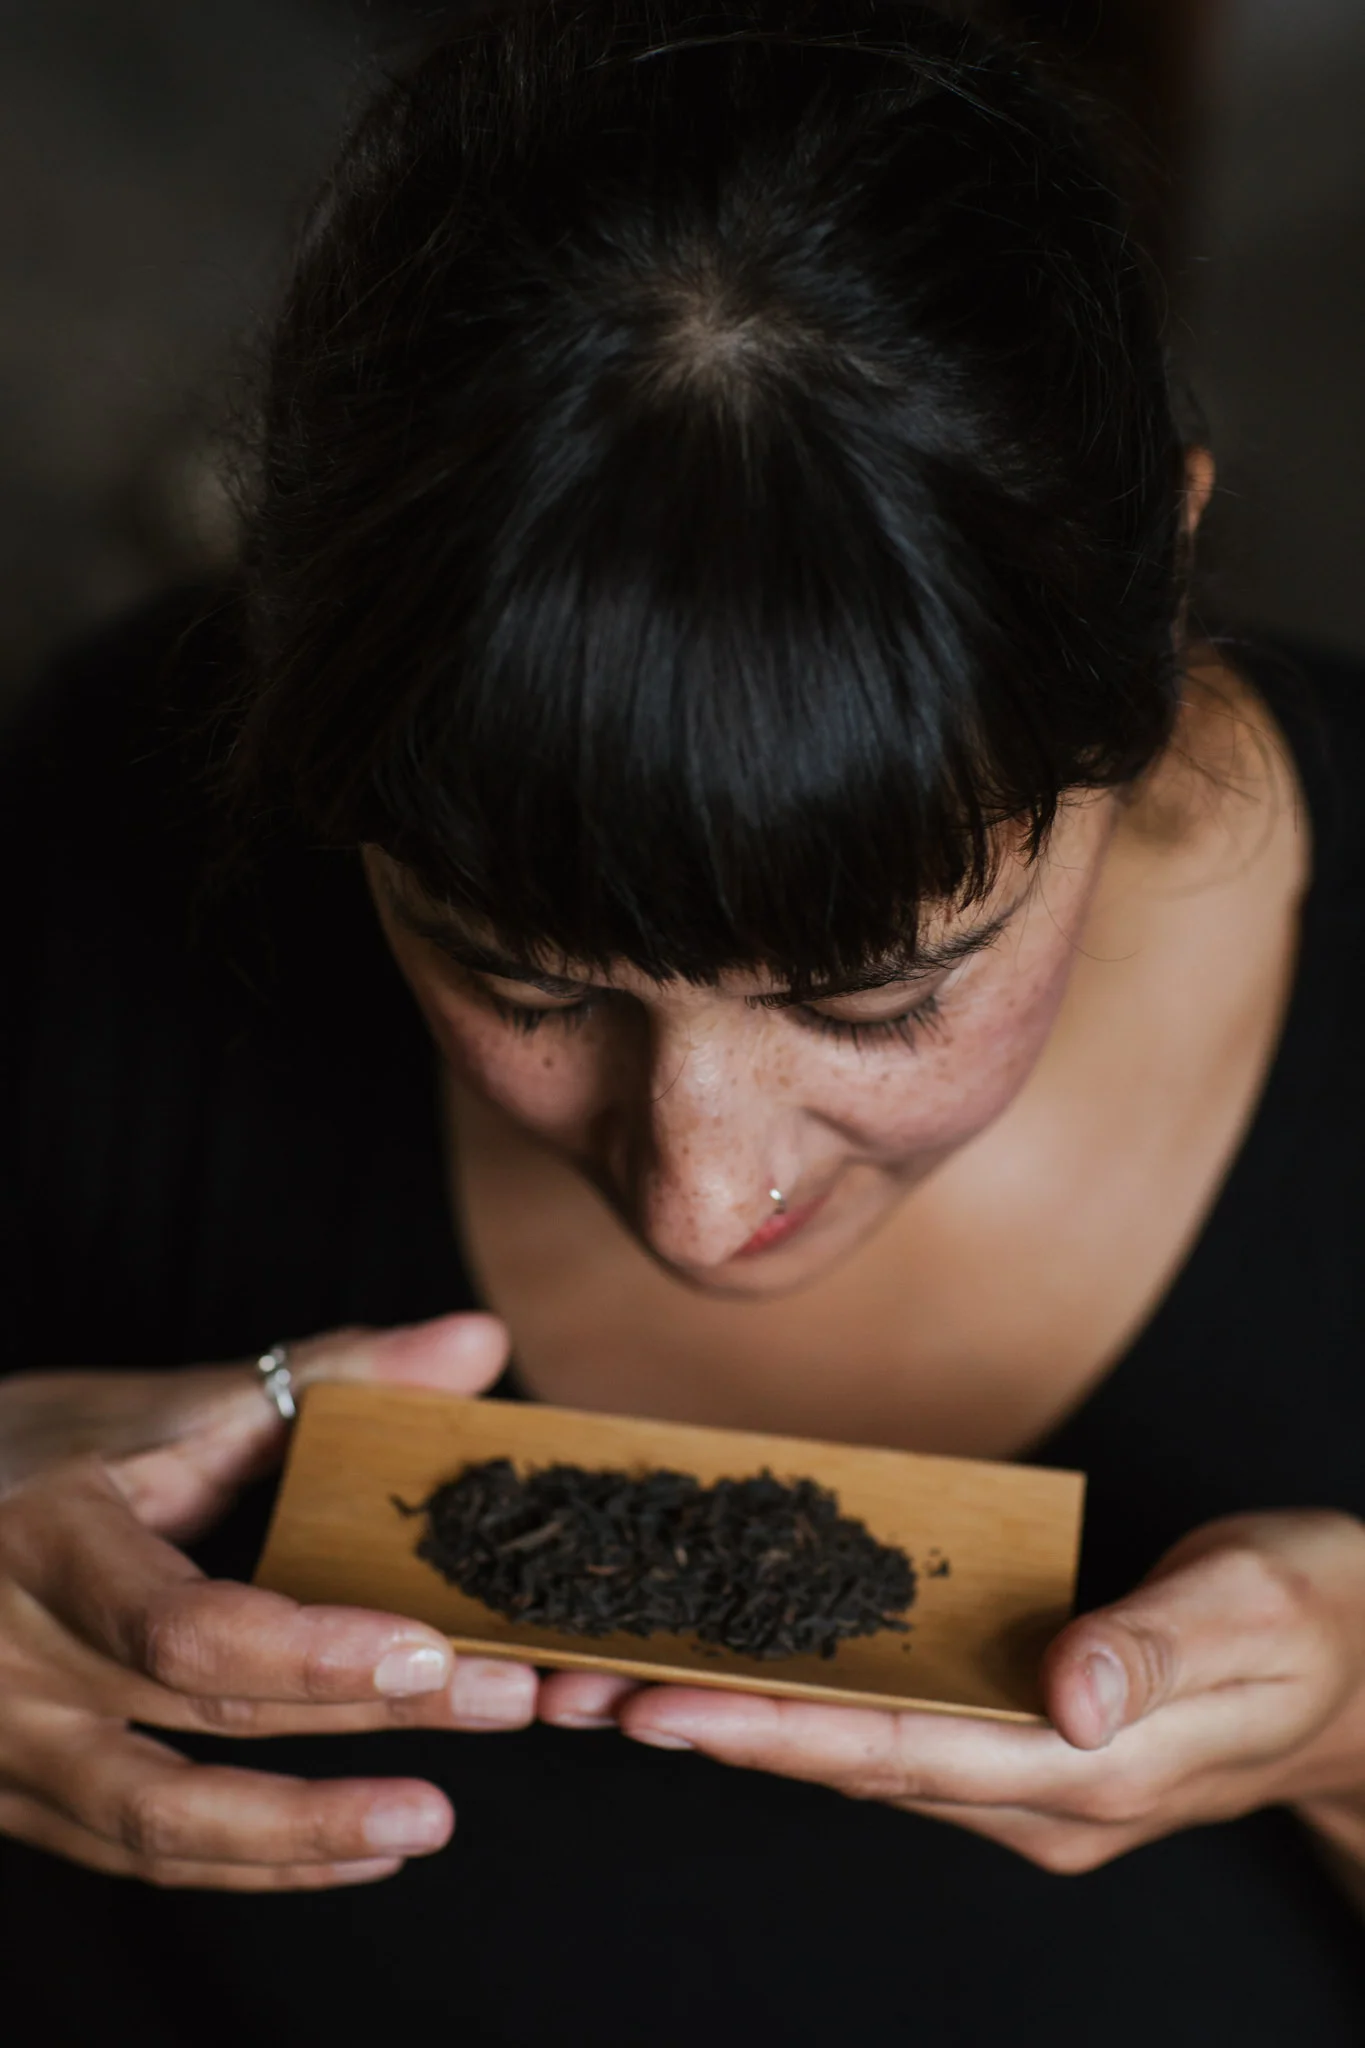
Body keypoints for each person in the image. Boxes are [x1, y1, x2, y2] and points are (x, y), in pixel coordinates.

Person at [2, 2, 1364, 2040]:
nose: (699, 1197)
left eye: (884, 993)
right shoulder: (100, 846)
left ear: (1151, 593)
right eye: (519, 973)